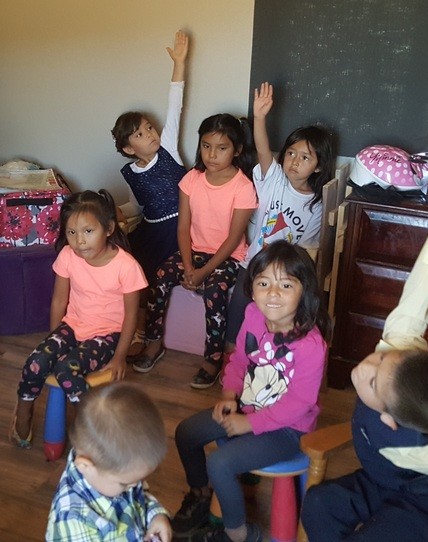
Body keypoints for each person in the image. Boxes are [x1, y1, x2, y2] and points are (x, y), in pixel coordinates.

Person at [301, 176, 428, 542]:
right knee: (320, 504)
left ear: (389, 419)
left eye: (374, 381)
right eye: (382, 360)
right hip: (382, 480)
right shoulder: (400, 346)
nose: (367, 365)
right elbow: (421, 283)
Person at [171, 240, 333, 542]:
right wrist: (229, 396)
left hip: (289, 430)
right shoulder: (253, 315)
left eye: (286, 285)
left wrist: (249, 423)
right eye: (263, 283)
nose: (273, 293)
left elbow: (300, 403)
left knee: (220, 463)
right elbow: (239, 361)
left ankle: (240, 535)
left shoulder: (311, 345)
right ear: (252, 287)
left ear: (305, 291)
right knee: (186, 432)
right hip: (247, 408)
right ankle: (199, 494)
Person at [9, 190, 147, 449]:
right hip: (72, 326)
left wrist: (120, 356)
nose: (79, 241)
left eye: (88, 231)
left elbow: (131, 315)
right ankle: (25, 409)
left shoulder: (126, 266)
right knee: (37, 361)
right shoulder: (67, 255)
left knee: (66, 370)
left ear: (108, 229)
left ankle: (91, 427)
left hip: (107, 334)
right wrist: (54, 340)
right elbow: (59, 301)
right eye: (71, 232)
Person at [131, 113, 258, 388]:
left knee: (215, 291)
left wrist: (203, 273)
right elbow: (183, 227)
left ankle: (212, 359)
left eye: (221, 148)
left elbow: (233, 239)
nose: (212, 154)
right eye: (206, 146)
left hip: (228, 257)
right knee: (160, 277)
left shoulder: (243, 187)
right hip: (194, 251)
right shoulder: (191, 179)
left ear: (237, 150)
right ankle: (153, 343)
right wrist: (189, 267)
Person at [224, 81, 336, 358]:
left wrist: (289, 281)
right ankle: (231, 364)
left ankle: (267, 365)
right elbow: (263, 150)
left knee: (273, 327)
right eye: (291, 153)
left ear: (319, 166)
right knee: (237, 321)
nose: (294, 161)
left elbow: (307, 251)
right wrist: (259, 117)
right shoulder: (274, 179)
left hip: (285, 276)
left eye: (305, 158)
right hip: (253, 265)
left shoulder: (316, 205)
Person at [111, 30, 189, 358]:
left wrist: (179, 64)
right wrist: (119, 211)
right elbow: (138, 206)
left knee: (158, 277)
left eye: (149, 128)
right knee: (130, 267)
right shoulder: (131, 172)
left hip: (179, 228)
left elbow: (175, 106)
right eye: (141, 135)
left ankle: (149, 333)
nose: (150, 134)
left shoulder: (168, 149)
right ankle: (133, 326)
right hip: (152, 230)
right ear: (129, 148)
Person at [46, 382, 171, 542]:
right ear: (85, 466)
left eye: (138, 481)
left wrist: (156, 515)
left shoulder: (114, 474)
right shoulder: (73, 521)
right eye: (125, 484)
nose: (135, 486)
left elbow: (139, 498)